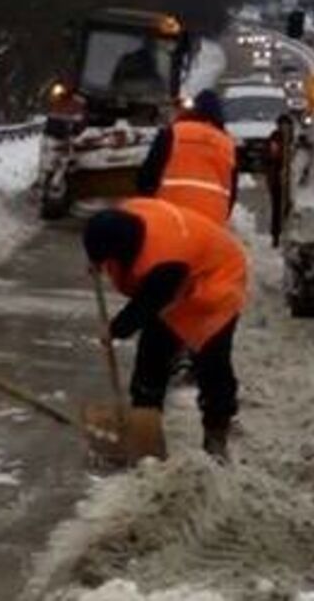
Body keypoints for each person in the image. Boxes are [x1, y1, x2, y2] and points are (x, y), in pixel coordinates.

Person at [83, 197, 248, 461]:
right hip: (183, 269)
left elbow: (148, 303)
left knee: (211, 359)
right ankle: (144, 428)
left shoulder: (164, 261)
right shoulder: (127, 216)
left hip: (216, 278)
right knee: (151, 356)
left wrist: (116, 329)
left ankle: (216, 434)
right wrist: (97, 260)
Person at [137, 89, 237, 225]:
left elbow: (149, 173)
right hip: (211, 217)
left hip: (171, 212)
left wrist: (147, 202)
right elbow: (231, 190)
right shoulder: (227, 143)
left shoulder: (173, 133)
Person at [264, 114, 293, 249]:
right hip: (276, 178)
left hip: (289, 179)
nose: (284, 128)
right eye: (282, 125)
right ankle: (276, 236)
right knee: (277, 208)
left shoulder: (294, 138)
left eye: (287, 126)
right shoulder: (275, 137)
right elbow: (271, 156)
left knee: (288, 208)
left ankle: (286, 233)